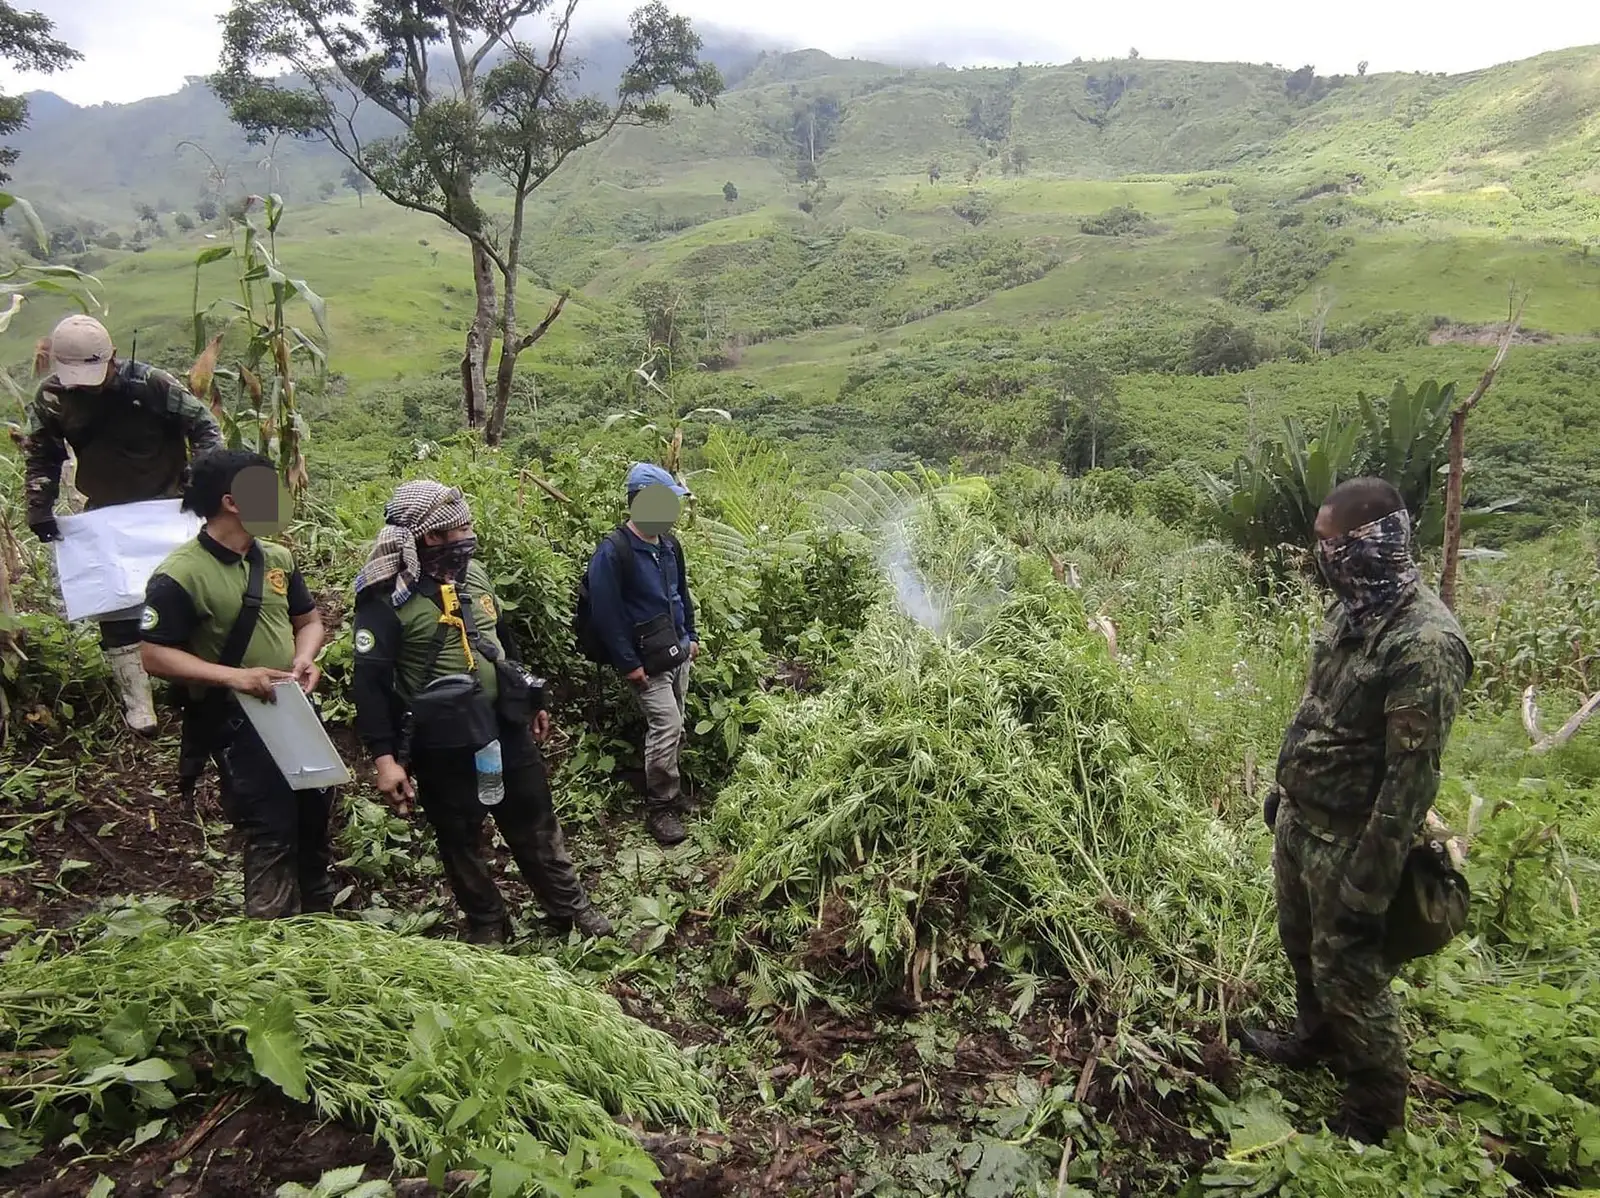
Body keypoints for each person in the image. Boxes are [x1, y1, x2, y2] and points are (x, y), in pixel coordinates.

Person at [1242, 477, 1473, 1144]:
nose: (1322, 554)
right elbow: (1319, 709)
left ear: (1371, 542)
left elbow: (1411, 779)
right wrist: (1286, 789)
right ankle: (1313, 1040)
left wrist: (1370, 883)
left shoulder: (1424, 642)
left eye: (1329, 541)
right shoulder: (1352, 612)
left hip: (1353, 840)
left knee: (1352, 970)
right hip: (1302, 820)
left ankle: (1375, 1112)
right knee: (1301, 947)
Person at [350, 480, 612, 944]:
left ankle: (570, 909)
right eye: (459, 529)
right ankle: (488, 920)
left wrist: (530, 701)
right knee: (460, 837)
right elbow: (369, 684)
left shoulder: (476, 577)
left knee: (534, 819)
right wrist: (386, 760)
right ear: (429, 537)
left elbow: (502, 642)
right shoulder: (386, 598)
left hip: (504, 727)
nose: (468, 536)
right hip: (442, 742)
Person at [139, 448, 336, 919]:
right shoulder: (180, 574)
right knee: (270, 826)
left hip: (292, 709)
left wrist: (304, 657)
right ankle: (272, 940)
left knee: (314, 818)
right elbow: (153, 654)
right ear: (233, 501)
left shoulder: (278, 558)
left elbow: (308, 621)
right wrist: (235, 677)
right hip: (237, 721)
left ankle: (323, 928)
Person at [23, 314, 224, 734]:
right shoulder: (54, 397)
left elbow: (206, 429)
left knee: (183, 596)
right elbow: (42, 453)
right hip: (107, 512)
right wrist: (39, 506)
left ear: (112, 356)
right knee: (116, 604)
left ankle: (195, 684)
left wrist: (199, 479)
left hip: (169, 506)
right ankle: (139, 704)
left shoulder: (151, 385)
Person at [583, 463, 701, 847]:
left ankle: (673, 791)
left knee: (677, 724)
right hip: (645, 660)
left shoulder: (669, 545)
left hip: (677, 650)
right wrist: (627, 663)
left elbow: (682, 594)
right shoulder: (614, 552)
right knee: (666, 725)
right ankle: (660, 806)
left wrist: (692, 636)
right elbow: (605, 613)